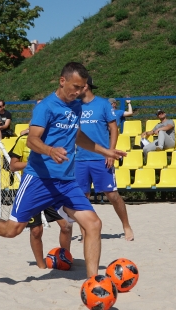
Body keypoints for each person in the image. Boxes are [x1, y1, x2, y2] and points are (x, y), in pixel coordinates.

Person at [0, 62, 127, 278]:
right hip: (39, 179)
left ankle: (93, 281)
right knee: (12, 230)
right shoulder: (45, 107)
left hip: (66, 181)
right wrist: (50, 150)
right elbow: (32, 141)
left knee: (93, 224)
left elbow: (78, 136)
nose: (79, 91)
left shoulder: (76, 106)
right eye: (75, 86)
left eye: (82, 87)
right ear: (62, 81)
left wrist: (105, 151)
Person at [76, 77, 134, 241]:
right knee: (82, 197)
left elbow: (114, 129)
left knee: (112, 195)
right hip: (80, 158)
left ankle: (126, 226)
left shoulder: (103, 104)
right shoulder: (75, 105)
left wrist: (110, 151)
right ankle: (84, 232)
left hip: (100, 158)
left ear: (85, 86)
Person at [8, 123, 73, 269]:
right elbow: (13, 166)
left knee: (66, 226)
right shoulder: (23, 140)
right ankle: (41, 265)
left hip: (52, 189)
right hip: (33, 190)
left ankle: (65, 258)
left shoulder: (55, 140)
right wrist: (31, 164)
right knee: (36, 230)